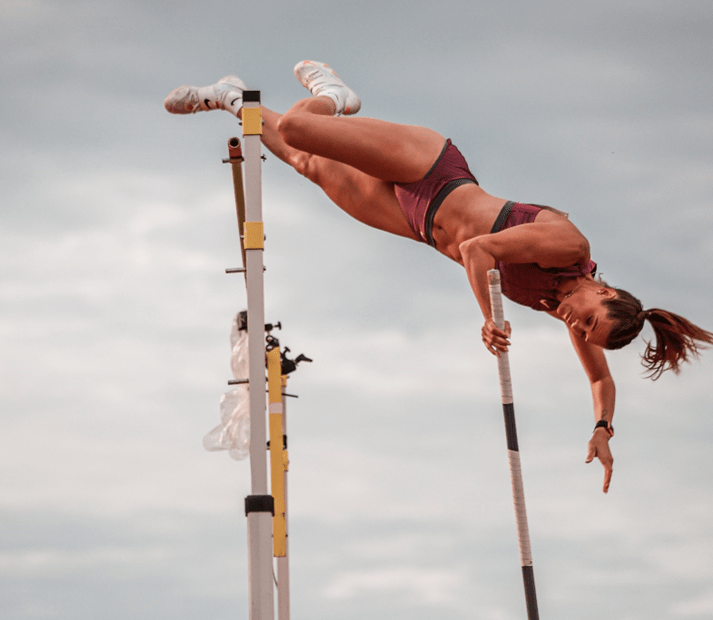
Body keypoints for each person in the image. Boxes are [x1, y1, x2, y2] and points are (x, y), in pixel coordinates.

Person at [164, 61, 713, 493]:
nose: (577, 325)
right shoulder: (569, 247)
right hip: (431, 170)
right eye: (589, 319)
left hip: (418, 223)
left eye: (585, 331)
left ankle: (234, 99)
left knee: (303, 161)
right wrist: (490, 319)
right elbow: (478, 249)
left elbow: (599, 381)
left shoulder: (563, 304)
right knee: (302, 128)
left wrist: (603, 429)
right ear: (605, 291)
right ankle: (327, 95)